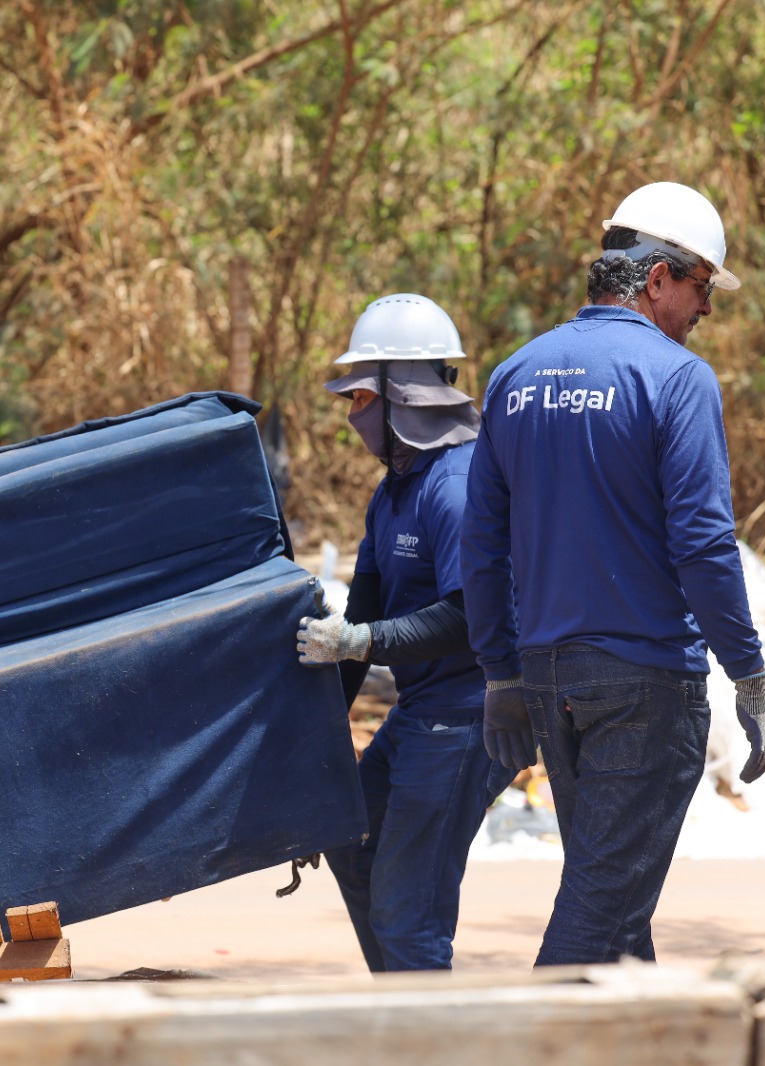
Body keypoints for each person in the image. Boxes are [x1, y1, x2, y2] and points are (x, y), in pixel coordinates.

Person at [459, 182, 765, 966]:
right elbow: (704, 547)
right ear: (659, 276)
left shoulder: (514, 376)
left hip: (550, 679)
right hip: (643, 685)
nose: (706, 310)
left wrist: (503, 674)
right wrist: (748, 675)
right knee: (599, 911)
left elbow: (481, 544)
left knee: (616, 909)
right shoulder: (676, 380)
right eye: (703, 287)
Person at [296, 293, 514, 972]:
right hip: (424, 712)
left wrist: (360, 642)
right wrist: (312, 755)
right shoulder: (394, 490)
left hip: (469, 717)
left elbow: (474, 616)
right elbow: (359, 614)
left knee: (408, 912)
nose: (352, 413)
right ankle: (401, 1014)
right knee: (350, 843)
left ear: (404, 395)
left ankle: (424, 1032)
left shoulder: (456, 486)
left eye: (362, 398)